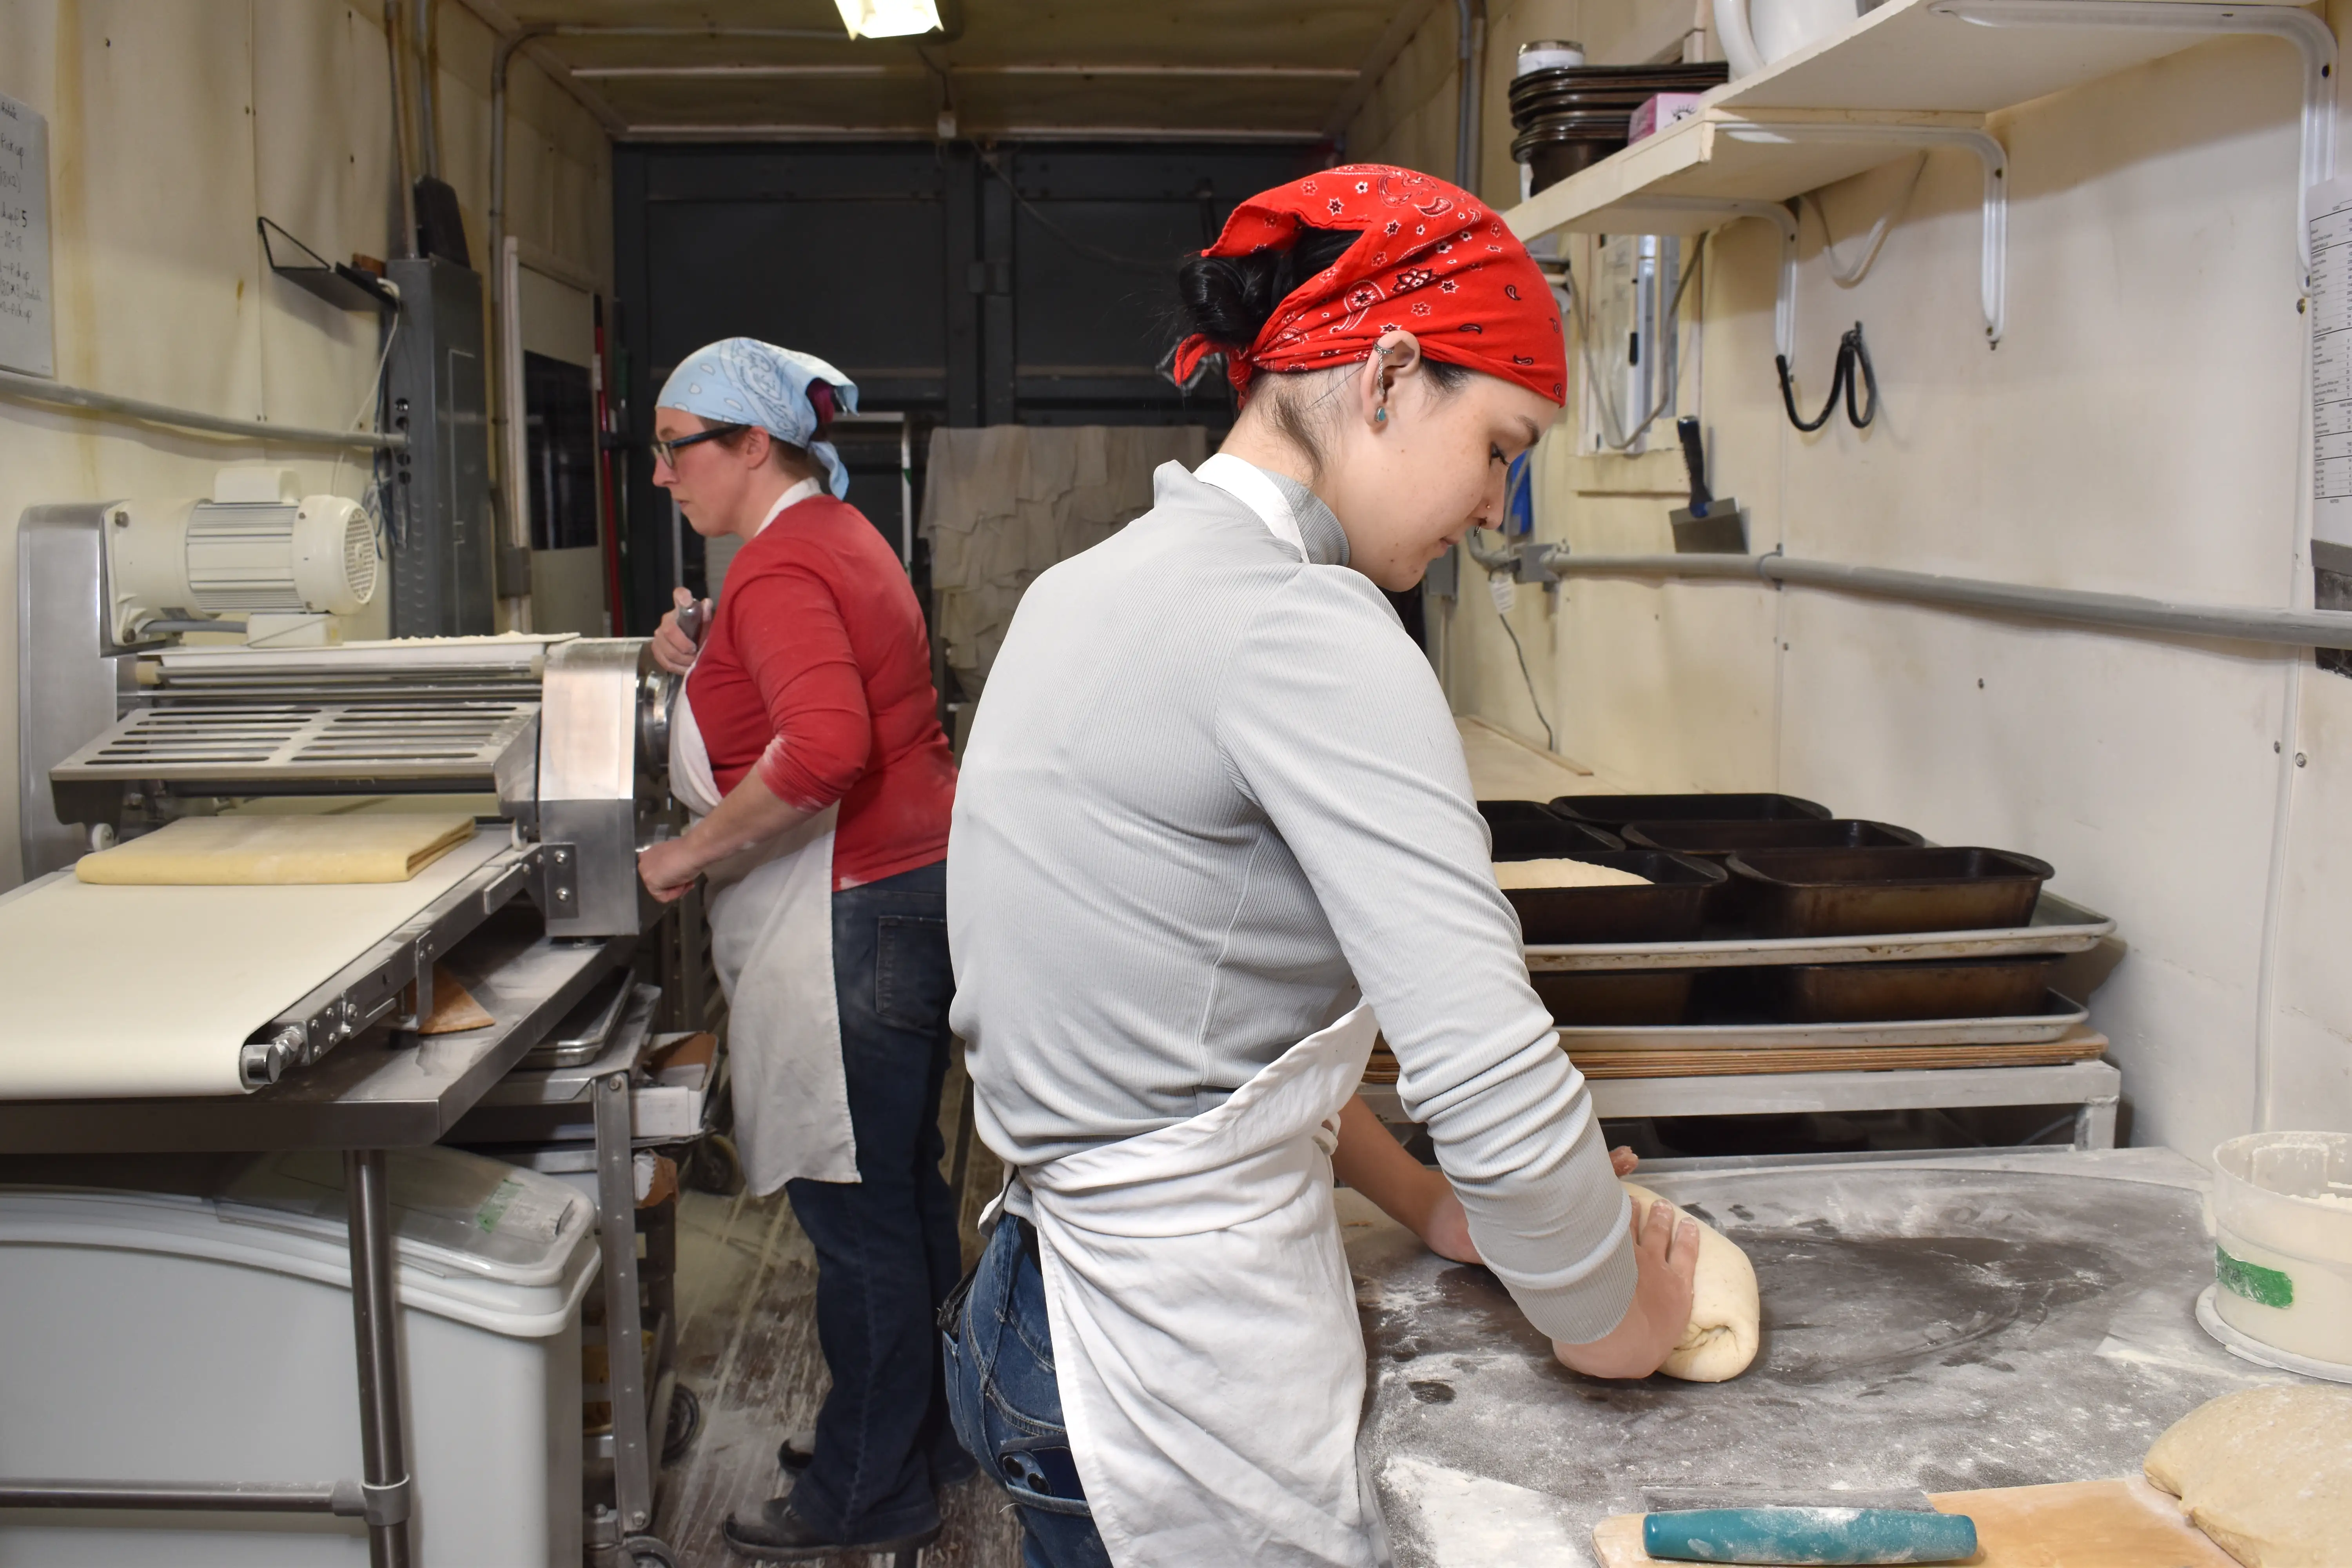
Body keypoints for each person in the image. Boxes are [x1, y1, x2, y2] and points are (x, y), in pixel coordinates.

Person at [941, 167, 1702, 1568]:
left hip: (1032, 1306)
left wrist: (1425, 1202)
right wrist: (1611, 1320)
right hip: (1166, 1358)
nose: (1495, 502)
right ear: (1394, 375)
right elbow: (1485, 1062)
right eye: (1501, 444)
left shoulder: (1089, 587)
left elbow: (1195, 1035)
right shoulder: (1307, 628)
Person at [633, 338, 967, 1561]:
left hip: (848, 911)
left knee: (856, 1215)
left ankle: (869, 1490)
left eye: (676, 449)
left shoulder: (780, 573)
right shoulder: (834, 535)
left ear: (750, 444)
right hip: (904, 897)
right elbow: (811, 678)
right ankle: (917, 1434)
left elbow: (822, 748)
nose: (662, 475)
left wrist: (682, 857)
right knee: (902, 1195)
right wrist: (708, 647)